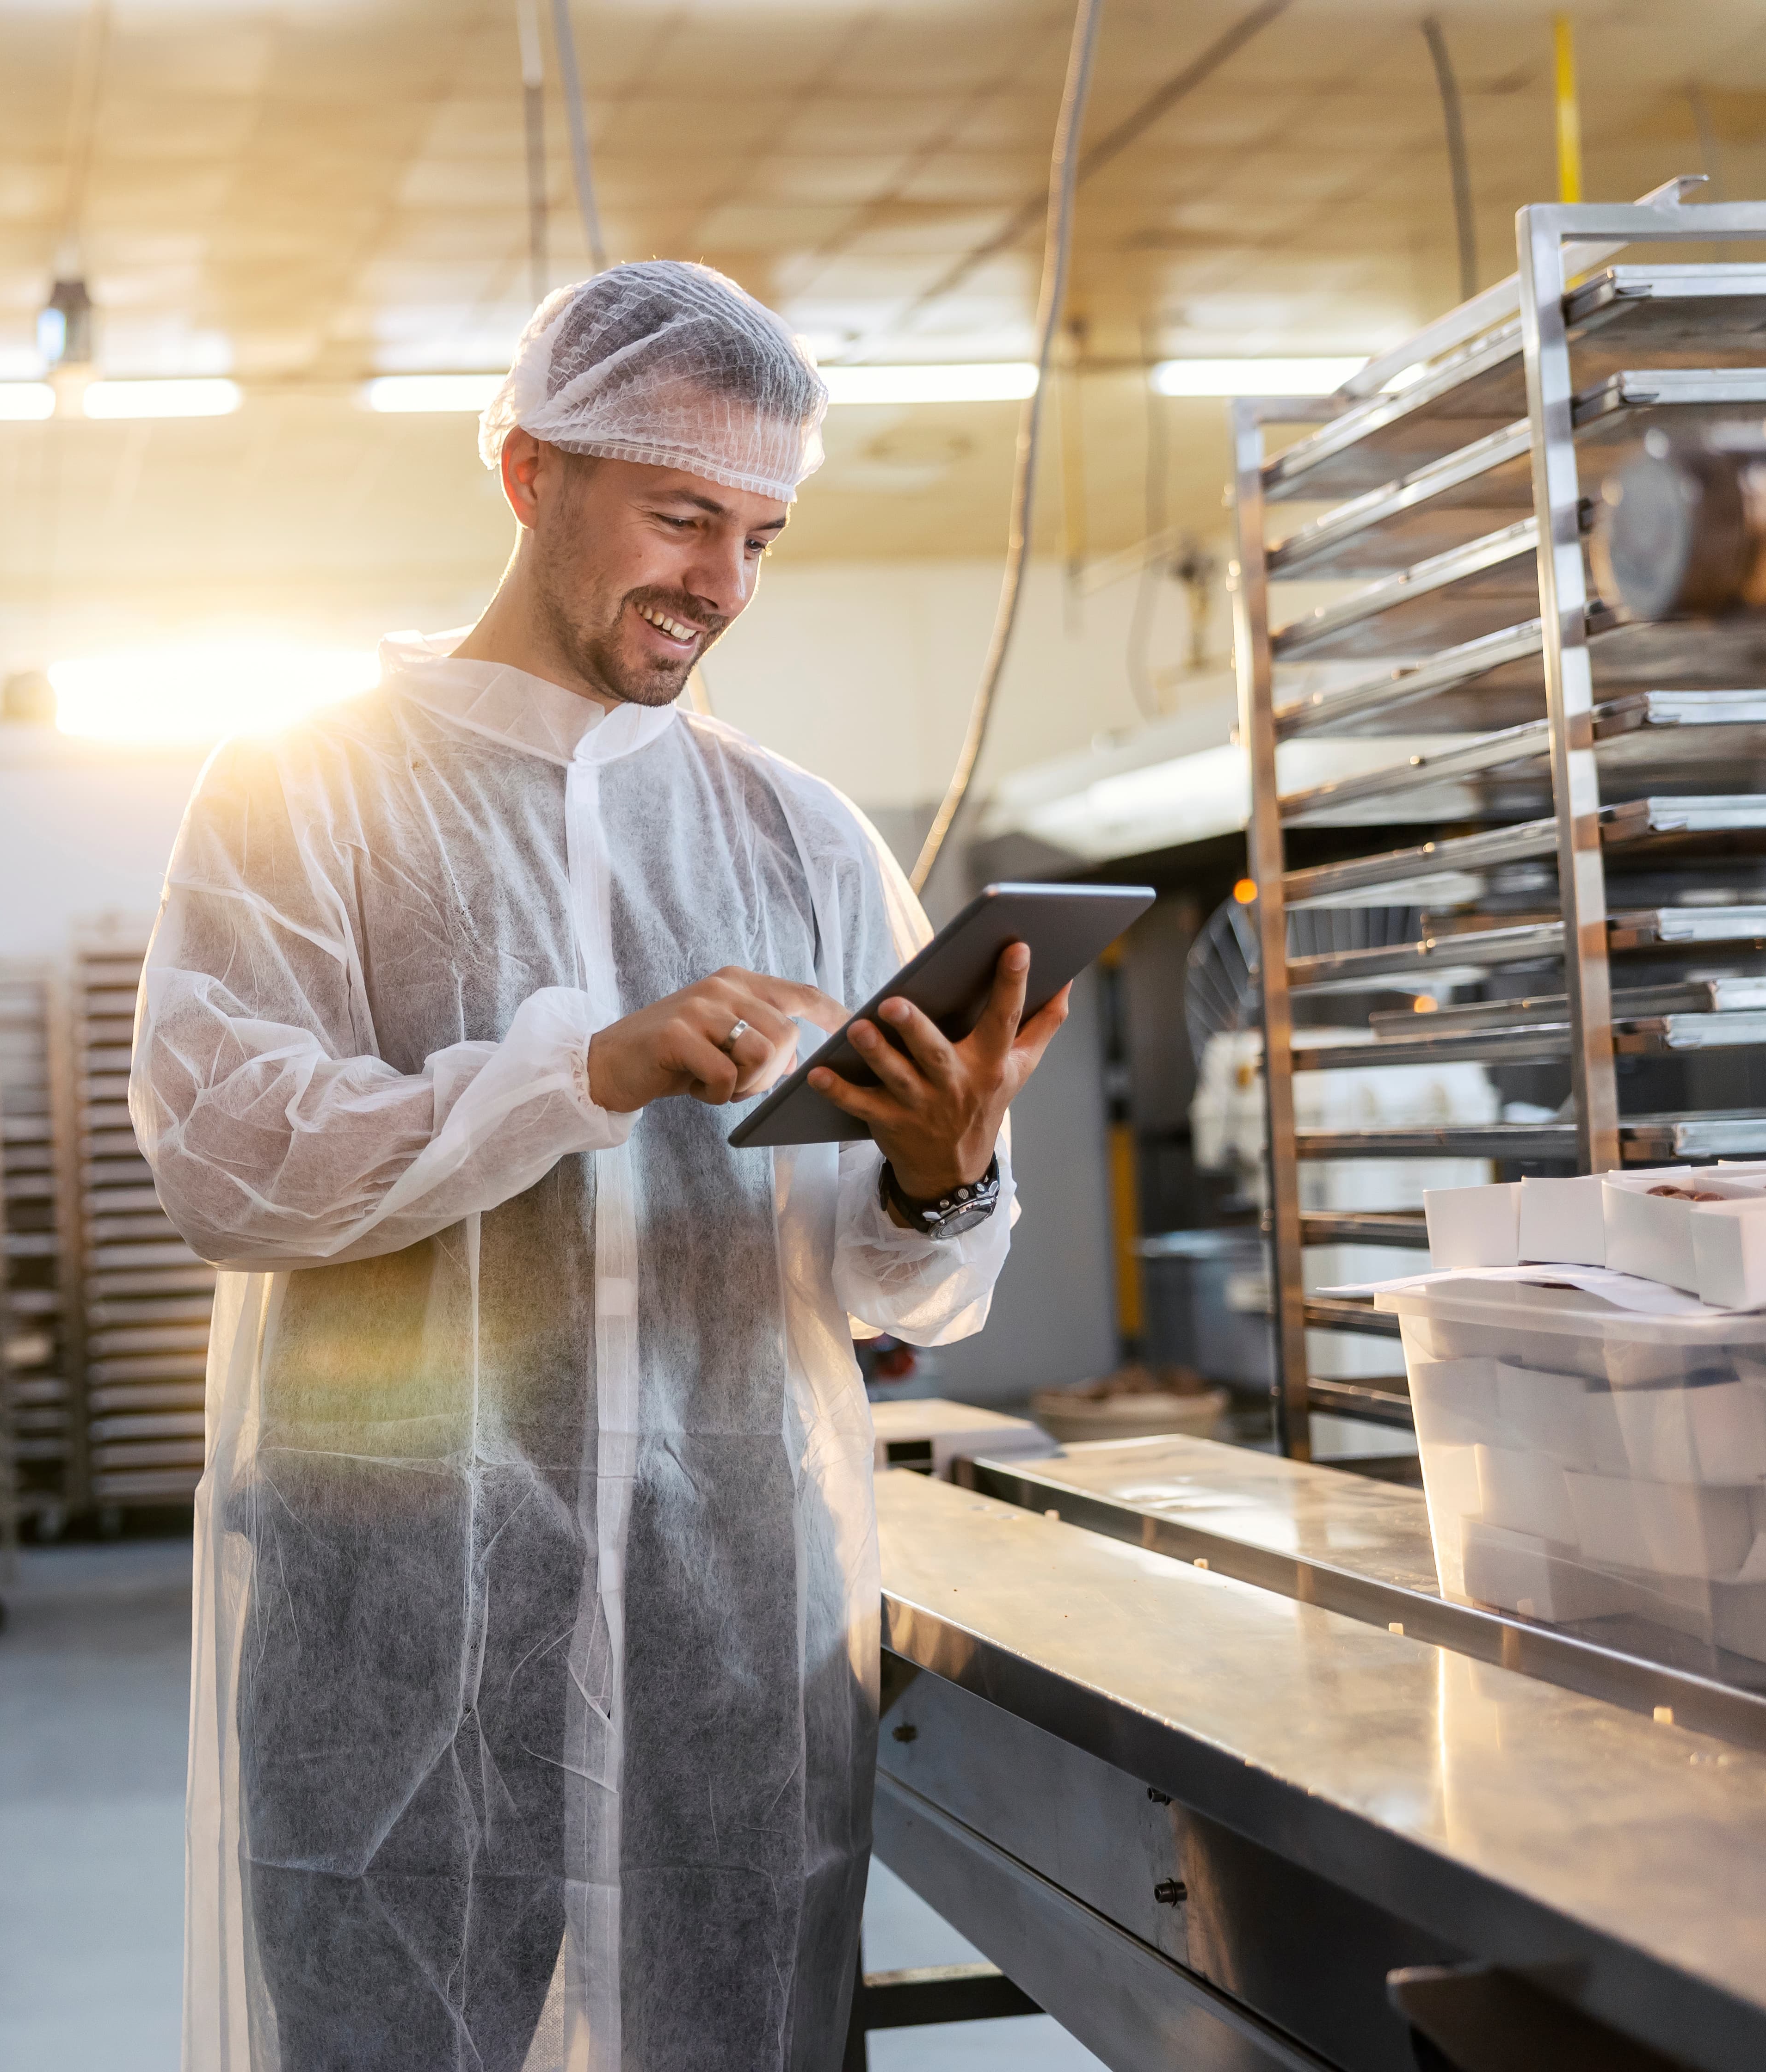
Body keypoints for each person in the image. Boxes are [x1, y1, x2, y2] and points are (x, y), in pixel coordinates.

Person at [131, 259, 1067, 2072]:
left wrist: (942, 1171)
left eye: (762, 537)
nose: (720, 586)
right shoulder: (300, 791)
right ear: (528, 473)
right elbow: (231, 1161)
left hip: (726, 1637)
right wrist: (584, 1066)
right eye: (681, 515)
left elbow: (890, 1288)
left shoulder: (797, 838)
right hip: (395, 1639)